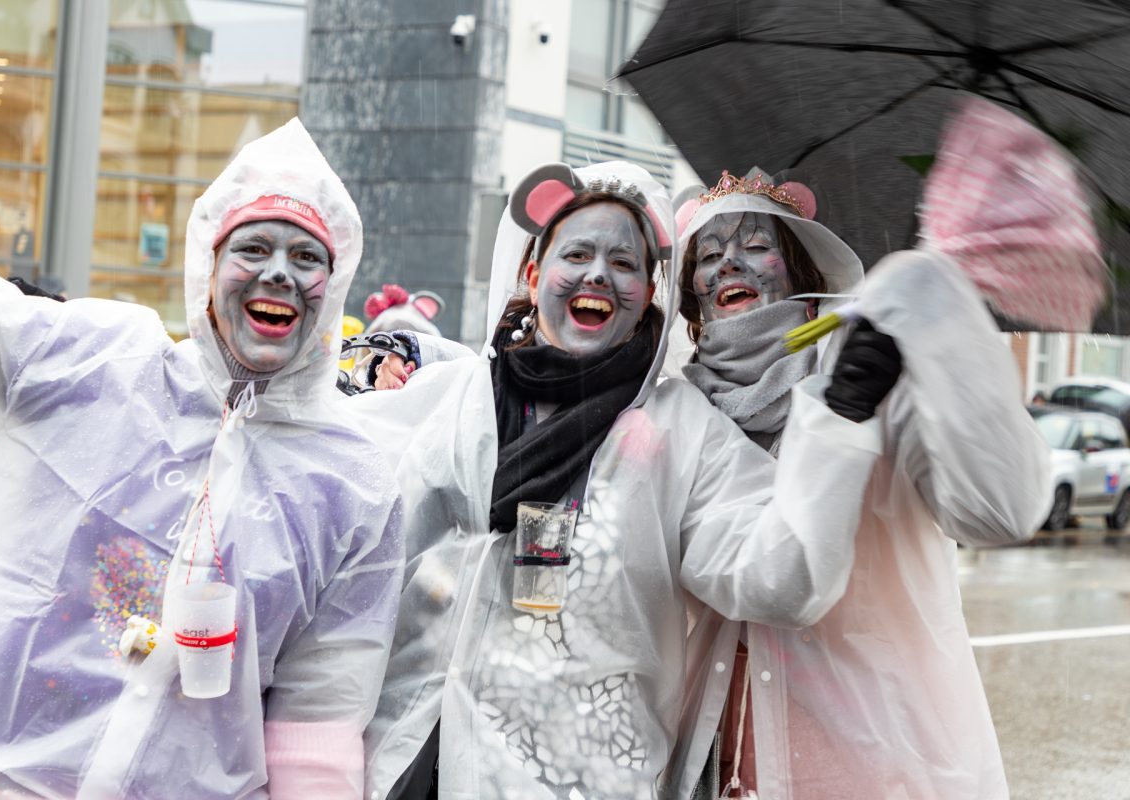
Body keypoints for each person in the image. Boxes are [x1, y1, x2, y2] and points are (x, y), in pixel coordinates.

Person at [362, 161, 899, 799]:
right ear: (533, 276)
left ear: (649, 291)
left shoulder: (681, 433)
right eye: (577, 254)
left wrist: (841, 423)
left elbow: (782, 580)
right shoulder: (459, 403)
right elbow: (341, 526)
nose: (597, 274)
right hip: (414, 764)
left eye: (623, 263)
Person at [0, 119, 403, 798]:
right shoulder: (99, 365)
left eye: (307, 258)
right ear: (207, 268)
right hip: (1, 783)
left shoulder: (352, 485)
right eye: (255, 247)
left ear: (333, 287)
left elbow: (320, 718)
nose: (279, 272)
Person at [667, 167, 1052, 799]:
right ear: (692, 298)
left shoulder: (880, 366)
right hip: (731, 764)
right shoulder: (678, 412)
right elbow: (755, 579)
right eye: (708, 254)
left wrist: (946, 335)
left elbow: (1000, 510)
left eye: (755, 245)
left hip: (886, 765)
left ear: (801, 272)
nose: (730, 261)